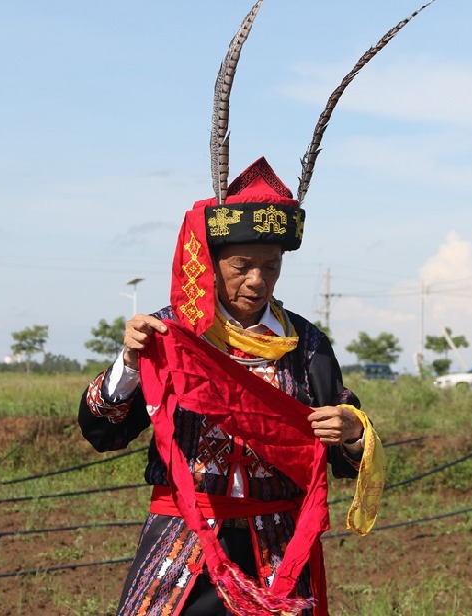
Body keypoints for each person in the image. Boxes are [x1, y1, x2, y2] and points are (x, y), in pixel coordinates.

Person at [79, 2, 430, 613]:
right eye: (243, 267)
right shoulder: (173, 333)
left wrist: (352, 433)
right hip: (186, 543)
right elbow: (101, 432)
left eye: (270, 267)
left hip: (277, 546)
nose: (256, 281)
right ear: (213, 263)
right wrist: (131, 362)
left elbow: (342, 437)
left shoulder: (306, 344)